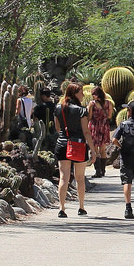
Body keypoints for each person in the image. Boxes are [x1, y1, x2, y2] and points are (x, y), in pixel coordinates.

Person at [54, 82, 96, 217]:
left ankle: (61, 208)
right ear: (74, 93)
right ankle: (81, 207)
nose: (83, 94)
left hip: (62, 144)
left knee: (63, 177)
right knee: (79, 178)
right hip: (78, 145)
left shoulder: (58, 108)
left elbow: (58, 128)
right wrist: (93, 150)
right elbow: (86, 132)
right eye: (81, 92)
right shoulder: (81, 110)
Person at [87, 86, 114, 178]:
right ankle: (103, 171)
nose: (92, 96)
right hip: (104, 126)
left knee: (94, 150)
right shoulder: (109, 103)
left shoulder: (92, 104)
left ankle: (98, 171)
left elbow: (89, 117)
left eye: (93, 94)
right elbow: (109, 116)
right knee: (103, 150)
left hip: (94, 126)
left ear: (97, 95)